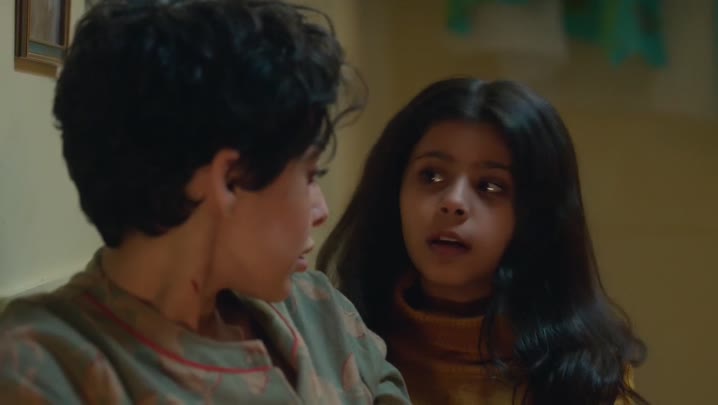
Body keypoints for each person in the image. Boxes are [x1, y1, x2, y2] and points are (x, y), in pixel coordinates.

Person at [0, 1, 410, 403]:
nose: (322, 211)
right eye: (310, 176)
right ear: (230, 180)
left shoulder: (321, 312)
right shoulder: (44, 369)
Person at [318, 78, 648, 404]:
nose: (453, 201)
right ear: (395, 193)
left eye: (490, 186)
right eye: (431, 175)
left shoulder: (587, 379)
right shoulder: (335, 345)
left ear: (537, 215)